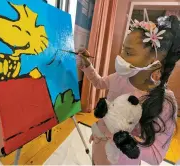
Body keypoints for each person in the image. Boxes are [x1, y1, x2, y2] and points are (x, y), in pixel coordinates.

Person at [77, 15, 179, 165]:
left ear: (155, 63)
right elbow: (99, 83)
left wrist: (123, 142)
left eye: (129, 53)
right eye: (123, 50)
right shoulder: (118, 77)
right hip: (99, 148)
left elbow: (156, 156)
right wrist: (87, 66)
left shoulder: (165, 104)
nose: (121, 57)